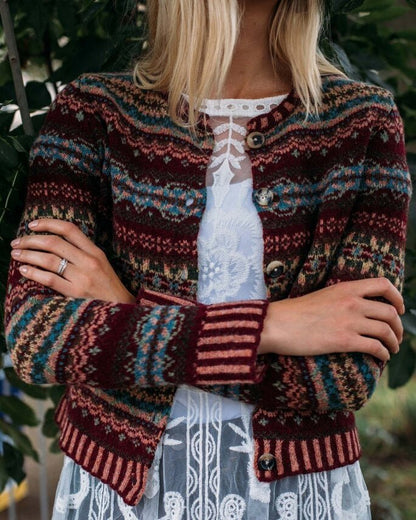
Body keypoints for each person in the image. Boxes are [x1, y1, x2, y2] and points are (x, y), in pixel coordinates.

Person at [4, 0, 411, 518]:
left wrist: (128, 309)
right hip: (123, 494)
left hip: (294, 495)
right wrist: (275, 327)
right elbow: (38, 337)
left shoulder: (363, 122)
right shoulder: (94, 113)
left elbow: (344, 374)